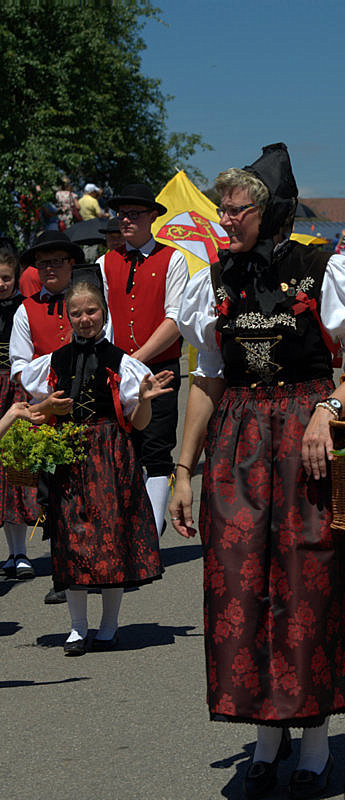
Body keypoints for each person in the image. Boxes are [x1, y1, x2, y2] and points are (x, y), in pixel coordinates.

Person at [169, 143, 345, 800]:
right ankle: (264, 739)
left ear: (271, 208)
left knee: (310, 589)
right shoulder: (215, 280)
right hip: (240, 452)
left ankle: (314, 747)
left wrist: (329, 410)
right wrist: (183, 468)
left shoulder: (325, 270)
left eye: (237, 207)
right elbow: (207, 379)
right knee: (243, 591)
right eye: (222, 206)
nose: (225, 217)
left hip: (308, 443)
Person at [20, 279, 171, 656]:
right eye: (76, 313)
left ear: (103, 313)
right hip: (69, 457)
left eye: (91, 311)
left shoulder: (123, 362)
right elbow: (33, 409)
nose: (84, 319)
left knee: (110, 540)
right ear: (67, 316)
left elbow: (136, 424)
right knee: (71, 539)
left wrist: (147, 400)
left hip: (110, 455)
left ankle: (108, 626)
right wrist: (50, 410)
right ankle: (76, 627)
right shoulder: (53, 362)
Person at [97, 183, 189, 538]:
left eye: (134, 214)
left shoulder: (173, 258)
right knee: (122, 449)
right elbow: (104, 320)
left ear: (152, 217)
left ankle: (149, 535)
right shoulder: (106, 262)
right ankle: (125, 529)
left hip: (160, 369)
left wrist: (134, 359)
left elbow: (176, 318)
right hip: (117, 370)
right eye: (122, 215)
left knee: (156, 448)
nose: (126, 220)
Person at [9, 231, 88, 602]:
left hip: (91, 410)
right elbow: (19, 367)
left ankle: (95, 565)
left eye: (57, 261)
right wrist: (50, 386)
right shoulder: (25, 309)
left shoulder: (88, 303)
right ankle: (63, 572)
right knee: (53, 497)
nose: (50, 268)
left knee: (92, 492)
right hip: (48, 412)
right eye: (43, 263)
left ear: (72, 263)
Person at [0, 248, 42, 579]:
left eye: (6, 278)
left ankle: (22, 554)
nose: (0, 283)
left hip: (16, 391)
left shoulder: (25, 308)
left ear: (16, 279)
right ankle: (11, 552)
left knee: (18, 467)